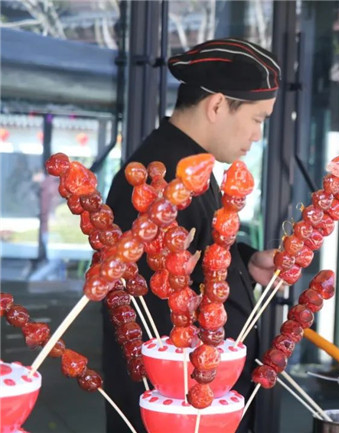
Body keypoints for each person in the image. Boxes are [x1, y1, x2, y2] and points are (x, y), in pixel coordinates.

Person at [103, 38, 281, 433]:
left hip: (201, 405)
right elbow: (152, 312)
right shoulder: (160, 180)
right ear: (217, 106)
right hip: (176, 411)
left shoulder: (189, 165)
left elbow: (197, 260)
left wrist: (245, 262)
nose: (257, 135)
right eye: (258, 119)